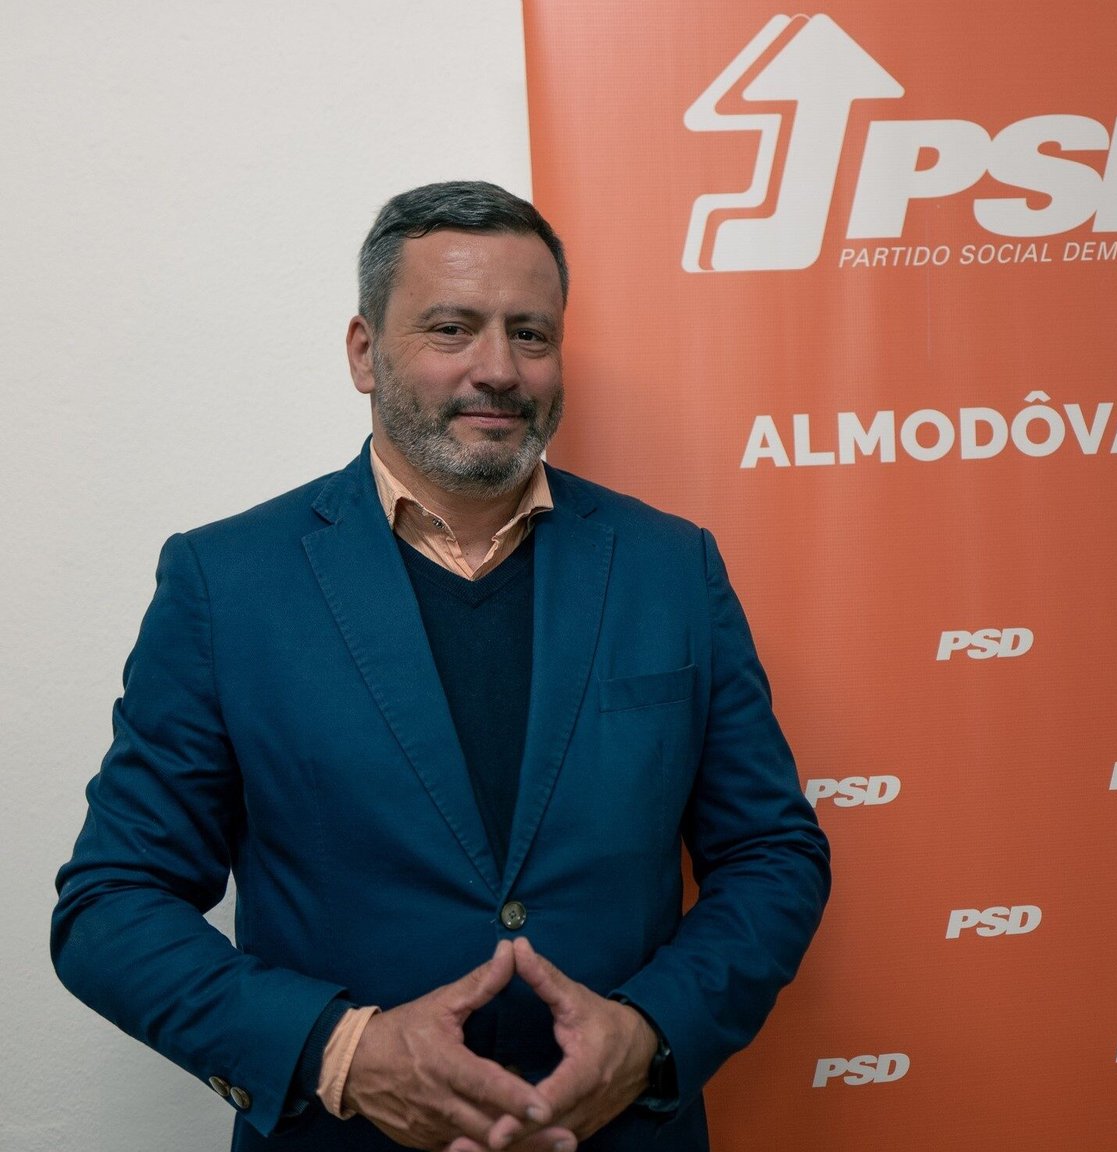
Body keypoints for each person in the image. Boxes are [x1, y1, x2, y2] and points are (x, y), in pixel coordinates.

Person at [51, 181, 831, 1152]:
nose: (497, 369)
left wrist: (651, 1034)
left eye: (530, 334)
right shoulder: (227, 583)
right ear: (364, 352)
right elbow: (112, 905)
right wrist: (344, 1052)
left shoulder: (671, 568)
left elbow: (771, 854)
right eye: (452, 329)